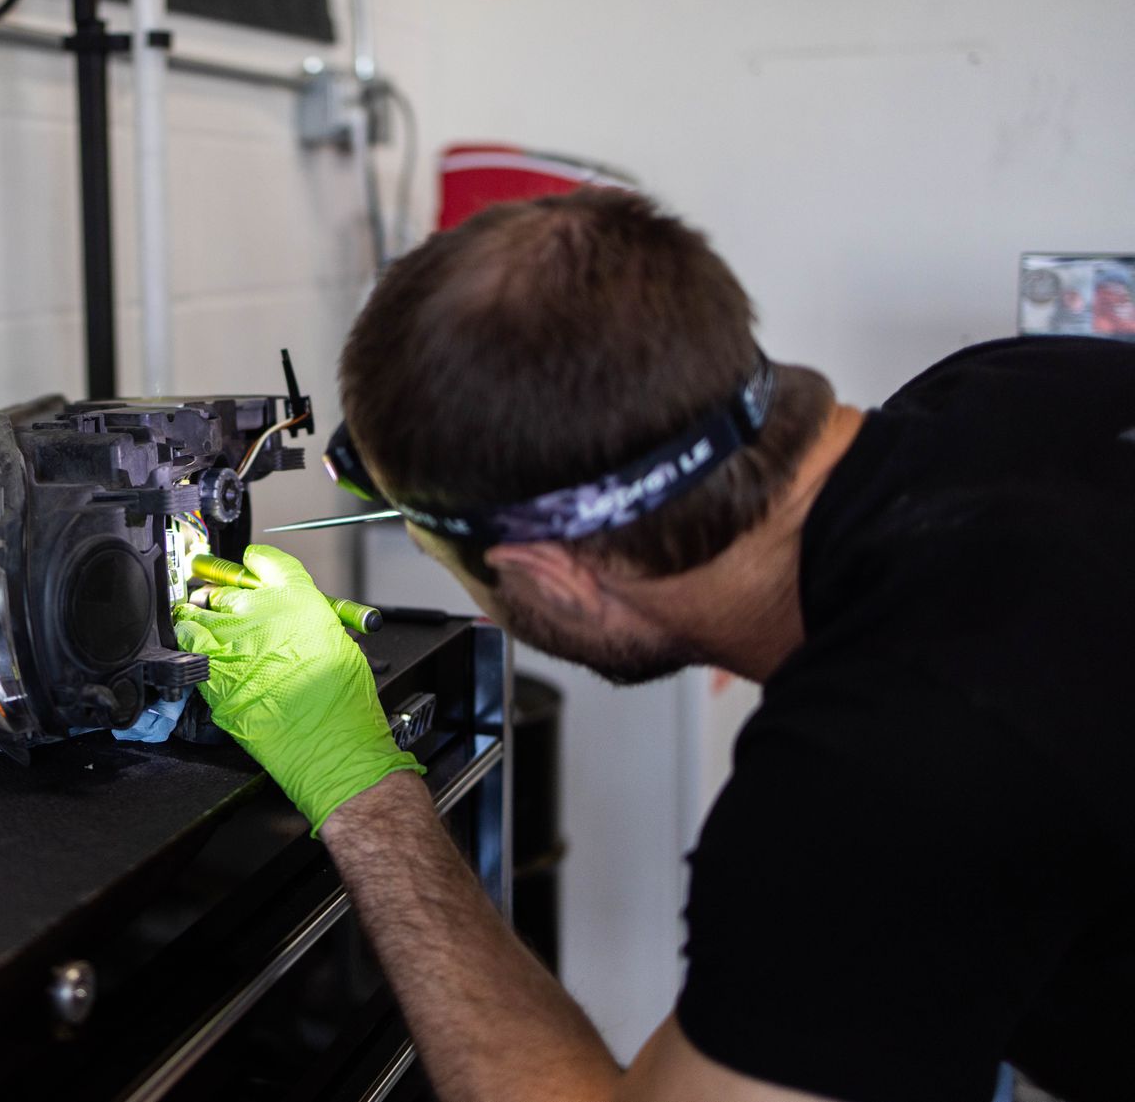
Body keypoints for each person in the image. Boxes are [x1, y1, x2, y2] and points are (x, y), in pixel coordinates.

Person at [173, 188, 1135, 1102]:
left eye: (445, 556)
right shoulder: (1018, 386)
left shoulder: (882, 773)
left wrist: (362, 790)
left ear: (555, 576)